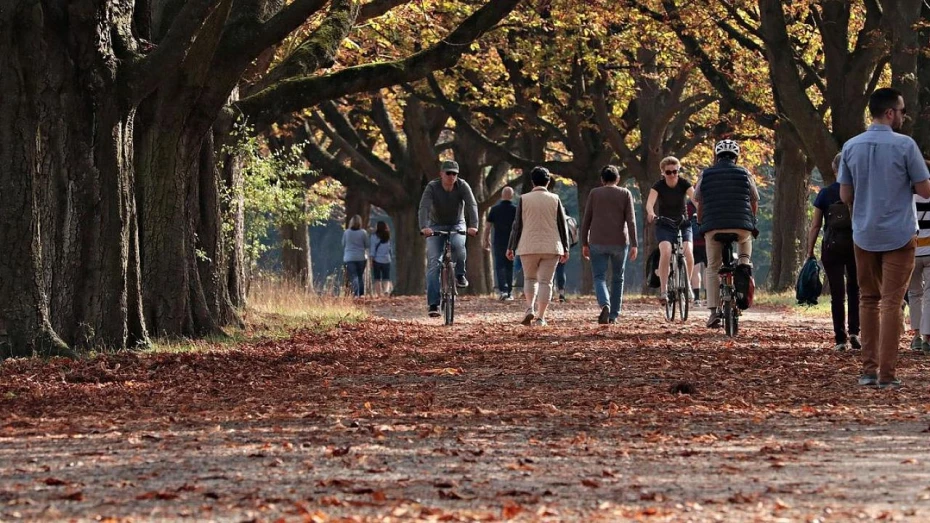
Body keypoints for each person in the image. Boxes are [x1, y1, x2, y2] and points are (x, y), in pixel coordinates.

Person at [839, 87, 930, 389]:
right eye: (902, 111)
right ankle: (887, 375)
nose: (904, 116)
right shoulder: (906, 146)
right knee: (892, 302)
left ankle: (867, 370)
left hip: (863, 233)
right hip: (900, 233)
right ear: (890, 113)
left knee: (868, 299)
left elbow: (845, 194)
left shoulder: (851, 147)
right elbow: (924, 190)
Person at [693, 139, 759, 328]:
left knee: (713, 267)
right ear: (736, 157)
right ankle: (743, 270)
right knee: (745, 250)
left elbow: (699, 201)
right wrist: (751, 220)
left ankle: (713, 312)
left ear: (717, 156)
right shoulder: (745, 173)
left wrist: (700, 222)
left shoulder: (705, 174)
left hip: (713, 226)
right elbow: (754, 200)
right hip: (741, 226)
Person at [807, 153, 860, 352]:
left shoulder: (825, 194)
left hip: (832, 247)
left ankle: (840, 338)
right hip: (856, 245)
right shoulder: (857, 192)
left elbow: (815, 226)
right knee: (855, 289)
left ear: (834, 169)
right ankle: (855, 331)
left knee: (837, 293)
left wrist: (810, 251)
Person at [507, 167, 570, 327]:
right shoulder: (555, 199)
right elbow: (563, 225)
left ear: (532, 182)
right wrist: (566, 248)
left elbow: (517, 225)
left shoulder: (524, 198)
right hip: (551, 246)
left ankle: (529, 308)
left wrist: (511, 247)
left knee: (529, 278)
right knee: (546, 282)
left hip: (528, 245)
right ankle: (541, 317)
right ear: (548, 181)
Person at [419, 160, 479, 317]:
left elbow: (472, 205)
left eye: (455, 174)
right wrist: (424, 227)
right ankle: (433, 304)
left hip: (457, 224)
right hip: (435, 225)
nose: (452, 176)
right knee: (434, 264)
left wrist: (474, 225)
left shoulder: (463, 186)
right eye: (448, 173)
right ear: (441, 174)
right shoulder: (432, 187)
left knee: (459, 247)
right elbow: (424, 207)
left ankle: (460, 274)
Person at [580, 165, 639, 324]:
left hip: (597, 241)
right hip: (620, 242)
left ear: (602, 179)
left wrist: (584, 243)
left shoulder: (594, 193)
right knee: (618, 278)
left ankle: (604, 303)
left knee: (599, 277)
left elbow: (586, 220)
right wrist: (634, 244)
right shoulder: (625, 193)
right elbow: (631, 221)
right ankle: (613, 314)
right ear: (618, 179)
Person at [646, 156, 695, 305]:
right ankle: (664, 290)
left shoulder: (684, 183)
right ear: (663, 173)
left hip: (683, 223)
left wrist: (700, 212)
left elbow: (696, 199)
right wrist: (651, 213)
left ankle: (688, 286)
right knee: (666, 251)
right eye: (669, 172)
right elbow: (650, 203)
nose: (673, 175)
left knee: (688, 252)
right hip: (664, 224)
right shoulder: (658, 186)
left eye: (675, 171)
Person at [483, 187, 517, 300]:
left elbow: (487, 226)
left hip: (498, 241)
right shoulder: (515, 210)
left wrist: (486, 239)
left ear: (501, 196)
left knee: (499, 266)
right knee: (509, 266)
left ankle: (503, 290)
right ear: (512, 196)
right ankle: (510, 292)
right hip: (511, 242)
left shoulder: (494, 209)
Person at [908, 193, 930, 352]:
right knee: (929, 295)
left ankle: (916, 336)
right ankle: (927, 337)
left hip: (911, 252)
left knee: (914, 294)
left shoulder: (907, 198)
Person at [342, 215, 369, 297]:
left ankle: (355, 293)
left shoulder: (347, 232)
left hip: (349, 257)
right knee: (360, 276)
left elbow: (343, 243)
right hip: (361, 257)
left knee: (353, 276)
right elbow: (367, 244)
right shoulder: (363, 233)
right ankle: (361, 294)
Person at [554, 215, 579, 303]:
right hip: (564, 248)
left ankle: (548, 293)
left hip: (551, 246)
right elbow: (575, 236)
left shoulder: (551, 216)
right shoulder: (569, 219)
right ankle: (561, 292)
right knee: (560, 269)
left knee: (548, 270)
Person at [687, 200, 706, 306]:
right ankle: (709, 297)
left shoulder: (689, 204)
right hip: (708, 240)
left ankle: (697, 298)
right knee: (709, 270)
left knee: (695, 270)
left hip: (694, 241)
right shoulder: (708, 200)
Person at [370, 221, 393, 297]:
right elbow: (390, 248)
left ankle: (379, 294)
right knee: (386, 277)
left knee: (377, 278)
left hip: (377, 260)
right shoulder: (388, 236)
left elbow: (372, 249)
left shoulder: (374, 236)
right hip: (387, 259)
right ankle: (386, 291)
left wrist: (371, 259)